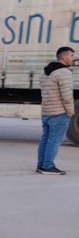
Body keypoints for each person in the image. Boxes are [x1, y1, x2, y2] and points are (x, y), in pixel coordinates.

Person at [36, 46, 76, 175]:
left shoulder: (45, 72)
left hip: (47, 112)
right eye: (71, 56)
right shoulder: (64, 72)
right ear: (63, 57)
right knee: (54, 140)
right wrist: (70, 112)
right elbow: (67, 95)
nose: (73, 58)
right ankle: (47, 166)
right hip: (59, 113)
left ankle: (41, 164)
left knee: (46, 139)